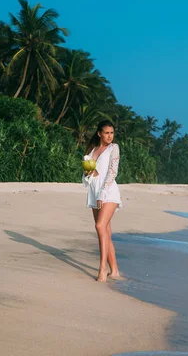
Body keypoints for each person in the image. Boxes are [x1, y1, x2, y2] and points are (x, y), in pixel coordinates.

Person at [82, 120, 122, 282]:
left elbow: (112, 172)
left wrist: (102, 193)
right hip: (94, 190)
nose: (109, 136)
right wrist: (88, 173)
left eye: (111, 133)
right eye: (106, 133)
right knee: (106, 232)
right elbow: (88, 174)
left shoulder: (114, 148)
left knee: (99, 226)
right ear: (99, 133)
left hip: (108, 191)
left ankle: (103, 269)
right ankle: (115, 271)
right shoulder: (91, 151)